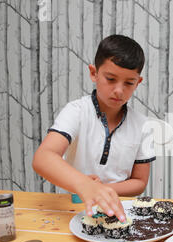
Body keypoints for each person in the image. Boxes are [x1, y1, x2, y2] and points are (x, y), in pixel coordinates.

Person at [33, 35, 155, 221]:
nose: (119, 90)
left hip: (121, 211)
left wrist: (101, 190)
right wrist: (85, 186)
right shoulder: (76, 111)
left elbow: (139, 182)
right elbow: (43, 158)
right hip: (76, 210)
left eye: (129, 83)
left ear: (138, 82)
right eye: (111, 79)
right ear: (93, 73)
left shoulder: (143, 125)